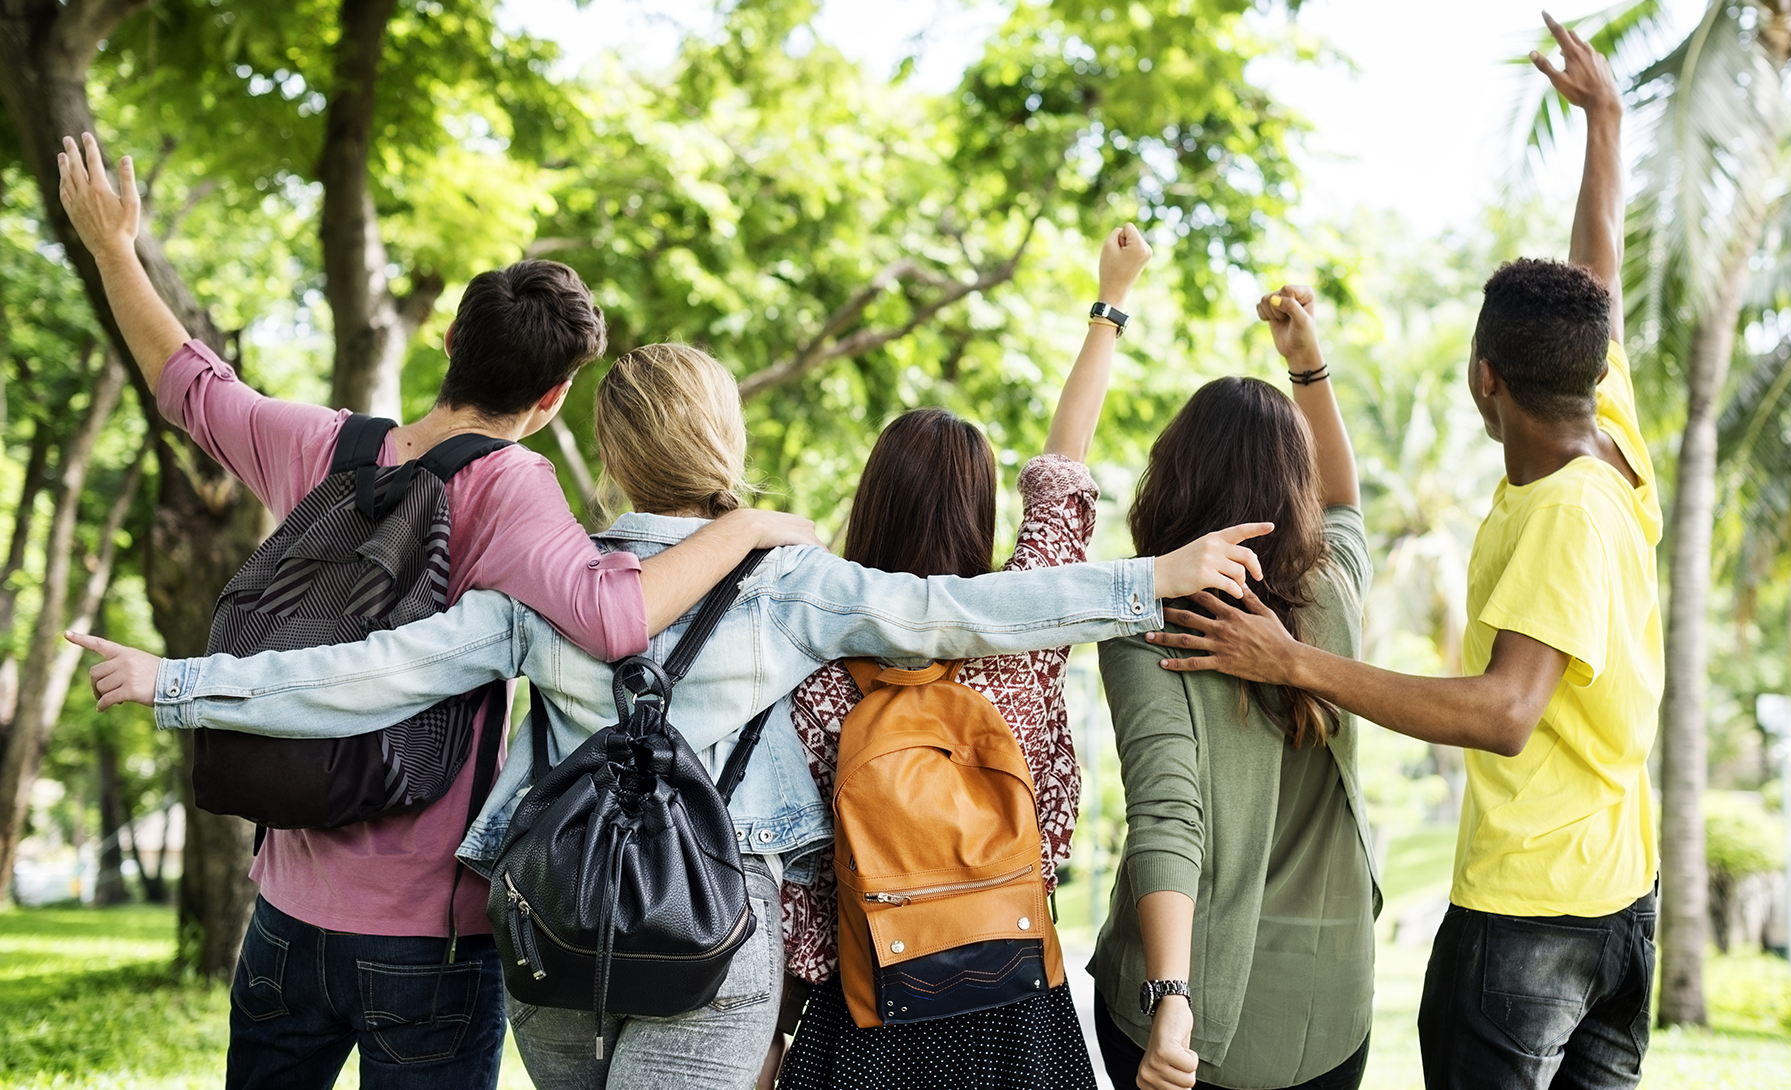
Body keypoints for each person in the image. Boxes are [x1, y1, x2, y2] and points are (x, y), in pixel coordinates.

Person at [73, 338, 1273, 1090]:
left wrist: (178, 680)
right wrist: (1146, 581)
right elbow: (968, 612)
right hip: (716, 939)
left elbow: (368, 673)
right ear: (728, 444)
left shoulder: (542, 586)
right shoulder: (788, 581)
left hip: (552, 936)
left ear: (606, 453)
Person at [55, 134, 818, 1090]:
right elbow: (615, 618)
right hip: (429, 935)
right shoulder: (512, 489)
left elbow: (192, 389)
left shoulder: (324, 448)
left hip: (286, 912)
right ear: (551, 399)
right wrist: (744, 527)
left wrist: (114, 247)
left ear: (449, 340)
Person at [1146, 16, 1661, 1090]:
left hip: (1534, 919)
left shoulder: (1565, 512)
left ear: (1485, 381)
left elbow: (1505, 712)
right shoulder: (1607, 430)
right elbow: (1596, 277)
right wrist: (1606, 125)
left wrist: (1289, 661)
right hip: (1623, 899)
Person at [773, 224, 1154, 1090]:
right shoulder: (1021, 636)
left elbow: (800, 882)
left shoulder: (816, 661)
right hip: (1013, 996)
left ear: (870, 504)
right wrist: (1111, 301)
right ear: (979, 512)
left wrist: (776, 1034)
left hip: (868, 1003)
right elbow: (1063, 472)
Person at [1087, 282, 1374, 1090]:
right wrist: (1307, 366)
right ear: (1295, 486)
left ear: (1173, 475)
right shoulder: (1333, 593)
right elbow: (1346, 501)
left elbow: (1166, 813)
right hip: (1328, 1010)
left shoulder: (1151, 620)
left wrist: (1171, 996)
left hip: (1188, 1015)